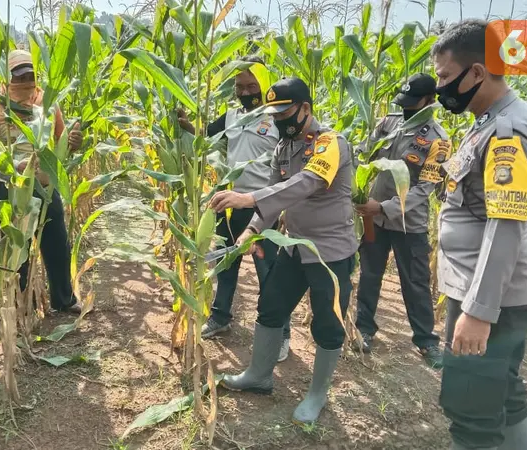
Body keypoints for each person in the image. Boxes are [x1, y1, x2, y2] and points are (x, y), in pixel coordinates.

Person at [208, 77, 357, 425]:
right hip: (295, 247)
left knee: (328, 323)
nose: (278, 120)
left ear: (305, 108)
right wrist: (251, 230)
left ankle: (318, 395)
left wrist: (249, 197)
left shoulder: (331, 143)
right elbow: (276, 198)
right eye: (272, 114)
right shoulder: (283, 148)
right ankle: (259, 376)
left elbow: (306, 183)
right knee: (270, 306)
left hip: (330, 253)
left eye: (284, 112)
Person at [432, 20, 527, 450]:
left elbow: (506, 224)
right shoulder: (489, 120)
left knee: (471, 409)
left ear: (477, 72)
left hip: (492, 296)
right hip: (493, 289)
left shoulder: (506, 133)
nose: (442, 86)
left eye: (445, 77)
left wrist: (479, 311)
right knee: (502, 390)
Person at [176, 56, 292, 362]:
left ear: (264, 85)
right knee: (225, 266)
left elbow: (291, 167)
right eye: (239, 86)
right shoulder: (229, 118)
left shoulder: (278, 119)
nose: (245, 91)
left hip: (265, 207)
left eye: (252, 85)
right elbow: (204, 140)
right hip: (230, 205)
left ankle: (281, 333)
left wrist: (284, 208)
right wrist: (184, 122)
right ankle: (221, 316)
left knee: (270, 274)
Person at [353, 73, 449, 368]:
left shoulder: (438, 140)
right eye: (403, 102)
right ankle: (364, 330)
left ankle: (426, 341)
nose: (406, 108)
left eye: (412, 103)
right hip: (373, 221)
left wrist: (382, 207)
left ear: (429, 102)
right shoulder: (387, 123)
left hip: (409, 224)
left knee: (415, 283)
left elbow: (424, 190)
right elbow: (364, 155)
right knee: (369, 274)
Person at [0, 49, 83, 314]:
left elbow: (62, 144)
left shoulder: (47, 102)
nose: (26, 78)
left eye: (30, 73)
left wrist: (73, 143)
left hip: (44, 185)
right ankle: (22, 303)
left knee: (57, 244)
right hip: (10, 187)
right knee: (17, 247)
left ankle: (64, 299)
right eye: (20, 74)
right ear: (8, 76)